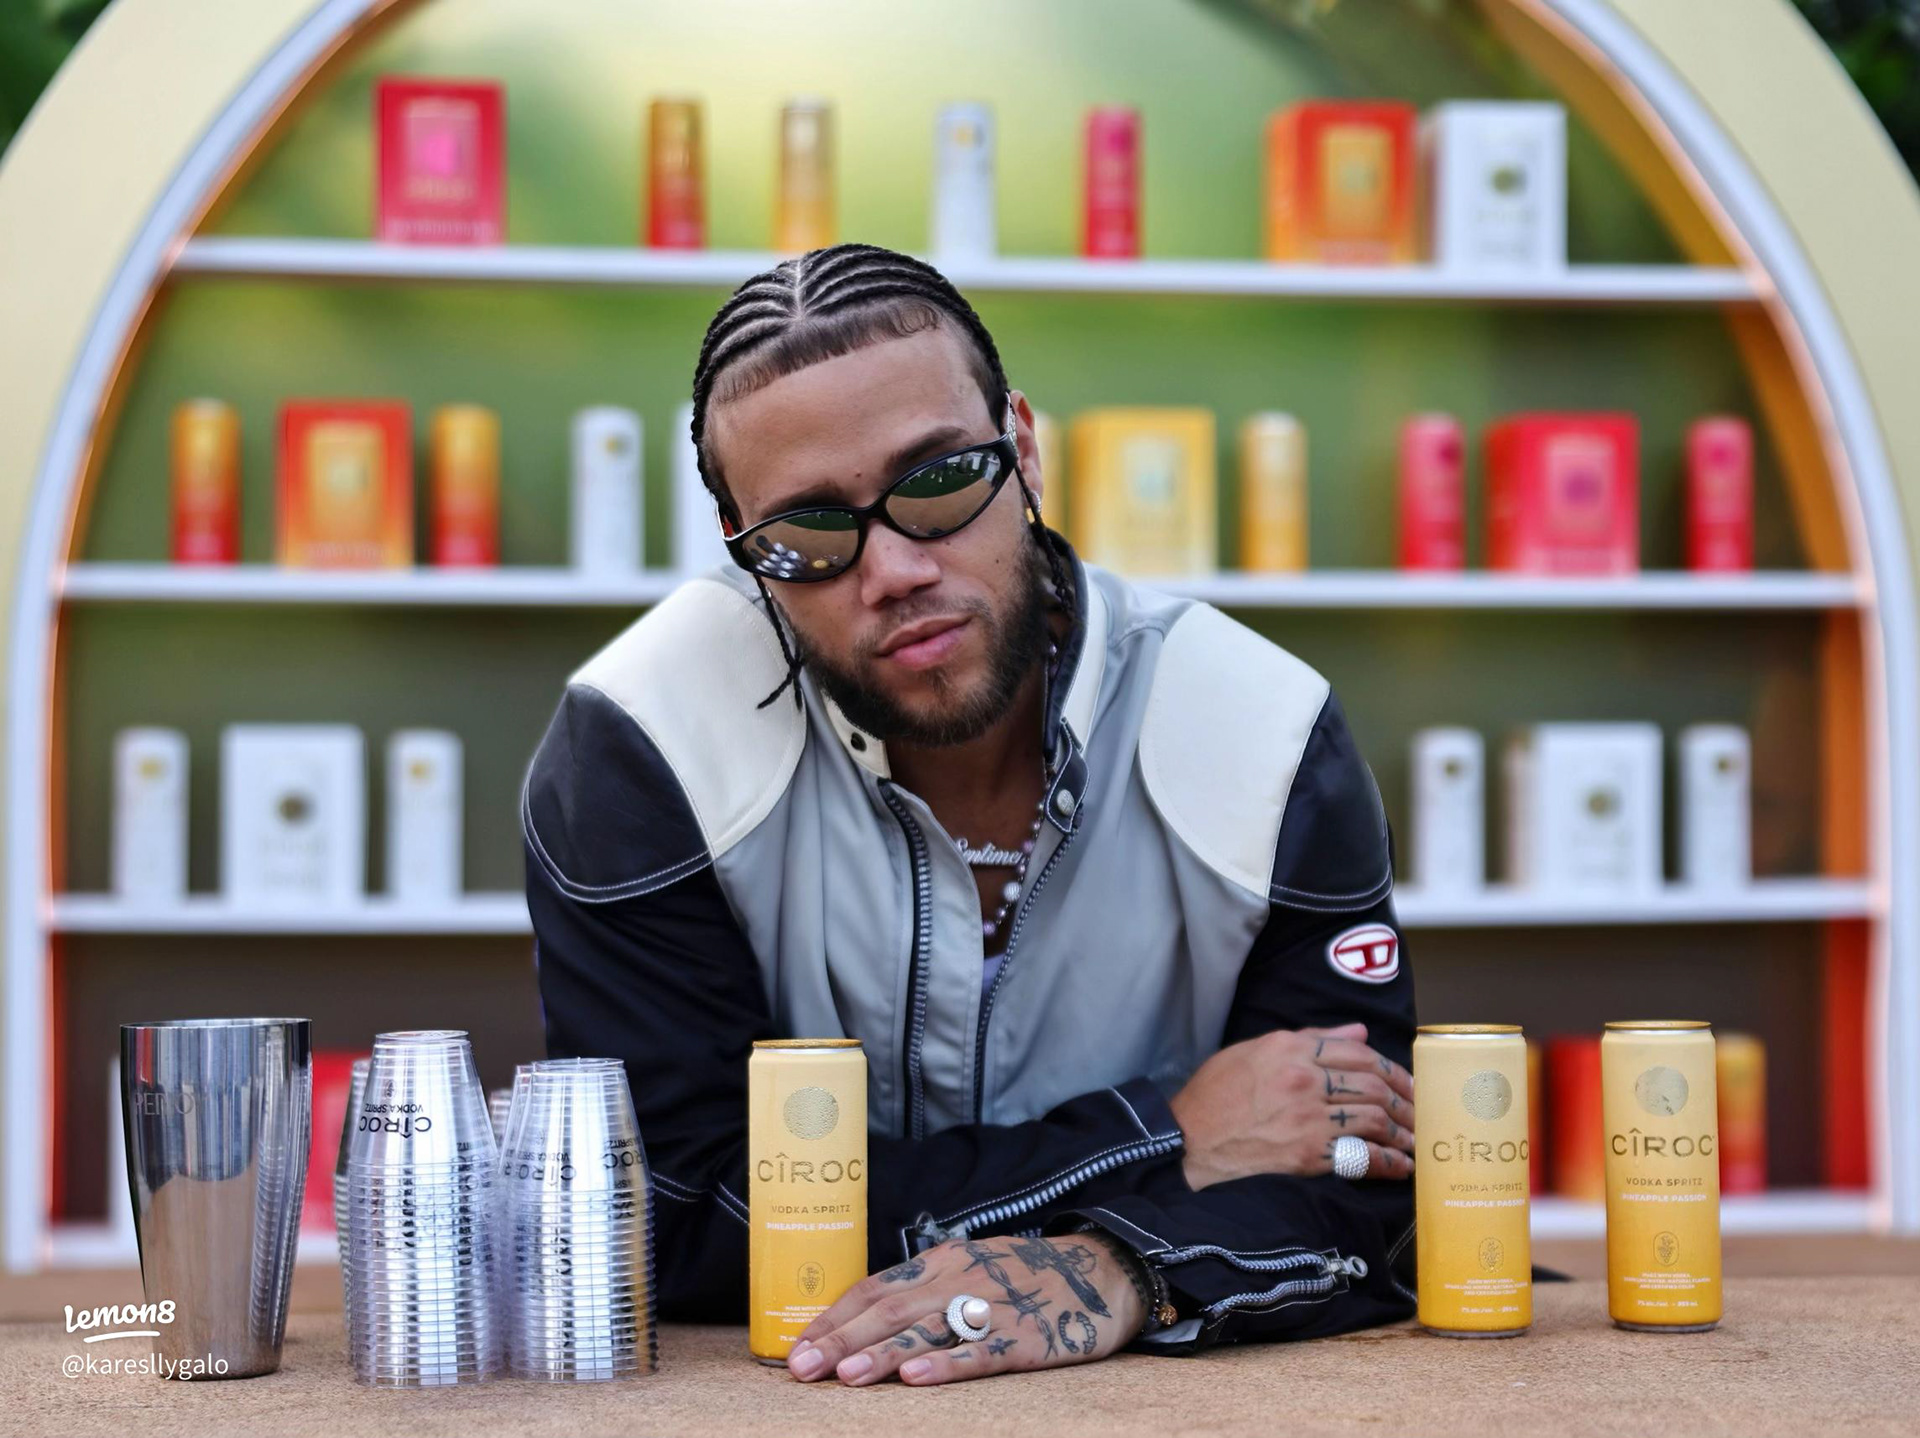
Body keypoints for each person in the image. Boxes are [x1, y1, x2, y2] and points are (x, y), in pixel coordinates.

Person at [522, 241, 1418, 1388]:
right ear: (748, 556)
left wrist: (1121, 1265)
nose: (893, 568)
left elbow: (1364, 1179)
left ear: (1024, 447)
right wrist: (1166, 1134)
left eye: (940, 481)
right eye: (808, 533)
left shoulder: (1262, 727)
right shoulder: (644, 740)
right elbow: (674, 1208)